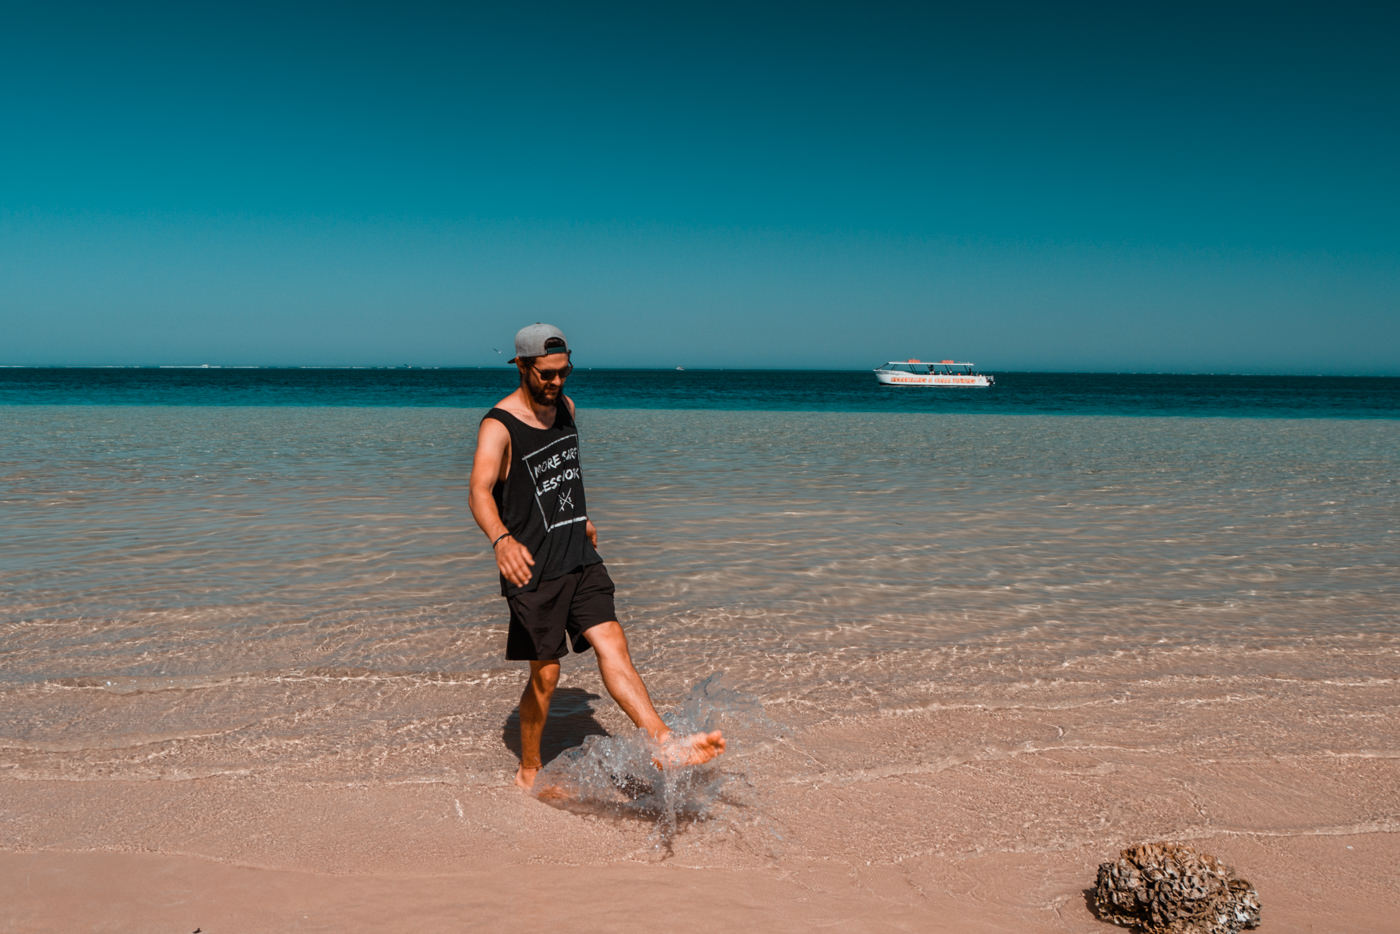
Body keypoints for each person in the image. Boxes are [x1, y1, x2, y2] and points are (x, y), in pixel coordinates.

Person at [468, 323, 725, 790]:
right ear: (522, 366)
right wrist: (501, 539)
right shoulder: (498, 425)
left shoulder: (566, 408)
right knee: (546, 677)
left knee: (613, 644)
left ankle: (664, 743)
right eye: (546, 374)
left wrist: (580, 516)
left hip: (579, 555)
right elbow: (479, 492)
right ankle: (528, 769)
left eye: (564, 372)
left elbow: (563, 475)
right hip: (531, 567)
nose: (557, 383)